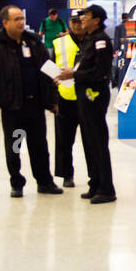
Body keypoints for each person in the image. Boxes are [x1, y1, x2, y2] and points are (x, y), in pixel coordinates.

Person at [0, 5, 63, 198]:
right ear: (5, 22)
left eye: (22, 19)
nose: (21, 22)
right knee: (14, 147)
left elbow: (48, 70)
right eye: (16, 19)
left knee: (39, 147)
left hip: (35, 107)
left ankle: (44, 182)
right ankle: (16, 183)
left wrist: (53, 99)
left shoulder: (33, 43)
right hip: (13, 109)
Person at [59, 4, 115, 203]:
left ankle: (107, 189)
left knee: (98, 142)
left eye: (86, 16)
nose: (82, 19)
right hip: (83, 96)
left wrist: (73, 75)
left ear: (97, 20)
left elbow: (101, 72)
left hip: (94, 96)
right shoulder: (89, 39)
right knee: (90, 143)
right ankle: (95, 184)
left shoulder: (101, 40)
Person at [51, 13, 93, 189]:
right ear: (69, 23)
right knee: (64, 140)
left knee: (91, 141)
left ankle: (94, 175)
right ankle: (66, 174)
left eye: (80, 22)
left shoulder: (93, 41)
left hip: (88, 99)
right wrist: (53, 98)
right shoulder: (59, 43)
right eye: (74, 22)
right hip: (65, 98)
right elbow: (50, 68)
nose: (77, 25)